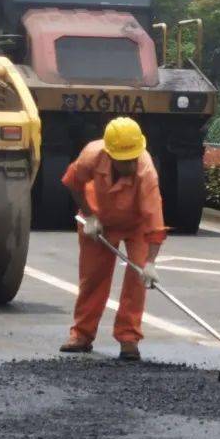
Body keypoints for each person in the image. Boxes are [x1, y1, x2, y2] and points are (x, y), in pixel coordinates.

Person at [59, 117, 166, 361]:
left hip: (136, 225)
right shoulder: (92, 155)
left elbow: (155, 221)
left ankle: (128, 338)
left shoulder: (146, 171)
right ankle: (82, 334)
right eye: (123, 160)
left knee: (137, 278)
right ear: (110, 153)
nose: (129, 164)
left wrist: (150, 263)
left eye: (132, 159)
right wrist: (89, 215)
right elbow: (73, 182)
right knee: (93, 277)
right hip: (100, 220)